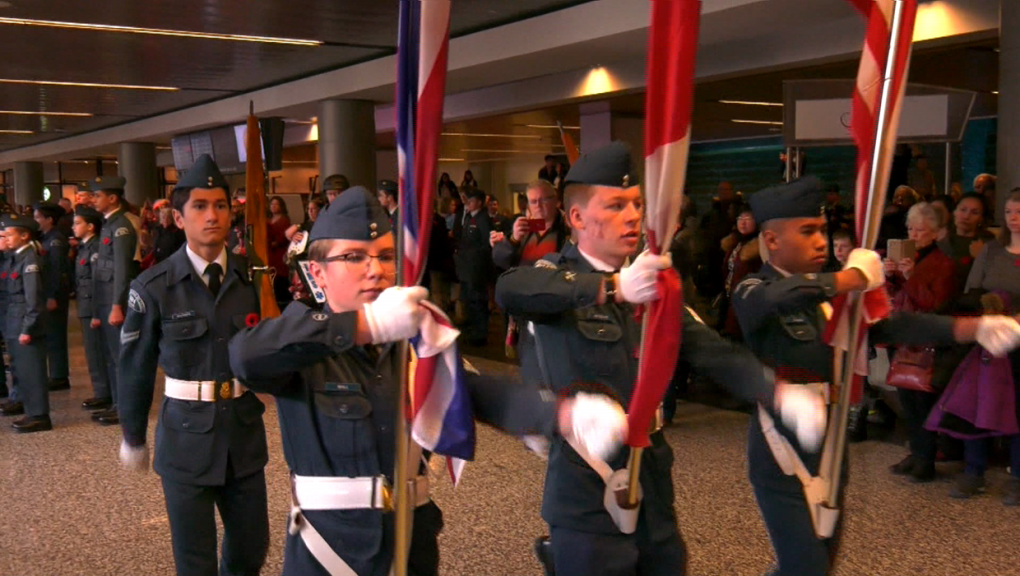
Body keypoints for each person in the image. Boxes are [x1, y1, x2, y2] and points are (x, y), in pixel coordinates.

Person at [227, 187, 628, 576]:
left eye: (385, 256)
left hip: (410, 540)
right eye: (353, 257)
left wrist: (560, 413)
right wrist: (366, 325)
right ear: (318, 272)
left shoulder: (414, 336)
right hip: (332, 547)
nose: (375, 269)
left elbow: (469, 391)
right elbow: (246, 356)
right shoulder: (300, 336)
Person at [496, 142, 824, 576]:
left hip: (650, 464)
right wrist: (612, 287)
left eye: (636, 204)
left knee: (665, 563)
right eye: (615, 206)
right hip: (586, 471)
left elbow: (710, 350)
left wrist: (777, 394)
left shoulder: (657, 287)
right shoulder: (556, 275)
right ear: (576, 218)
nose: (633, 216)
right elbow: (511, 289)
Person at [732, 176, 1020, 576]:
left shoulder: (832, 293)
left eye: (823, 230)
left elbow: (890, 327)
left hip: (832, 442)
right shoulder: (753, 287)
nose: (820, 241)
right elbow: (778, 297)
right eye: (808, 231)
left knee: (821, 560)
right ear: (772, 239)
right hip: (780, 444)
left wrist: (974, 329)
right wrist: (850, 279)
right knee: (805, 565)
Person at [117, 155, 270, 576]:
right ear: (179, 218)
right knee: (195, 558)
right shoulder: (154, 287)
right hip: (186, 436)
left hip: (242, 431)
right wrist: (133, 435)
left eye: (220, 205)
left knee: (251, 548)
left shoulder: (252, 275)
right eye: (200, 206)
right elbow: (135, 366)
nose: (212, 215)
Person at [948, 188, 1020, 505]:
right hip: (991, 337)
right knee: (978, 402)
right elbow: (970, 292)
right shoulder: (991, 250)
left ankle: (1017, 476)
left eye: (1019, 212)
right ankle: (973, 470)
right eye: (1008, 212)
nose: (1013, 219)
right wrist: (989, 310)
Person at [884, 203, 961, 483]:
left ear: (937, 233)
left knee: (922, 402)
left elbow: (934, 304)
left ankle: (926, 458)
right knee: (907, 401)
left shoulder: (944, 263)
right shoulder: (911, 258)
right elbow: (896, 298)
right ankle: (916, 453)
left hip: (927, 341)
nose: (913, 235)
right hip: (904, 336)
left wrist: (909, 276)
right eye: (910, 229)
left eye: (920, 230)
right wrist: (891, 275)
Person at [89, 176, 140, 425]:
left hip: (114, 300)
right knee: (111, 356)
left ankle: (125, 408)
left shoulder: (121, 227)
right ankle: (117, 403)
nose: (93, 199)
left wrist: (117, 305)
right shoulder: (108, 224)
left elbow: (122, 270)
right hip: (105, 299)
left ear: (113, 198)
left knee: (121, 358)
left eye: (97, 195)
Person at [1, 213, 51, 432]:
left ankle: (39, 415)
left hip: (24, 324)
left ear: (24, 235)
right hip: (15, 321)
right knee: (21, 370)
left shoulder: (30, 260)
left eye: (9, 234)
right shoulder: (16, 257)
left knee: (32, 371)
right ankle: (30, 411)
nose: (6, 238)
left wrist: (28, 328)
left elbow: (34, 299)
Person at [73, 206, 113, 412]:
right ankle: (101, 392)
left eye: (77, 223)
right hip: (85, 305)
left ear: (90, 226)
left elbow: (99, 282)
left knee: (99, 351)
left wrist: (97, 312)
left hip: (93, 305)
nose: (73, 227)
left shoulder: (96, 248)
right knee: (92, 353)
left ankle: (107, 393)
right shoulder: (83, 247)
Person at [34, 202, 72, 391]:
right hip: (47, 292)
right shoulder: (46, 238)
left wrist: (52, 295)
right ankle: (55, 373)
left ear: (49, 219)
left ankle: (59, 375)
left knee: (56, 335)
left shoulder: (55, 240)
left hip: (54, 293)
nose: (36, 221)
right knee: (51, 334)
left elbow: (57, 270)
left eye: (38, 217)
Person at [453, 188, 492, 346]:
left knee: (478, 303)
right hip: (466, 268)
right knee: (469, 302)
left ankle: (480, 334)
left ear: (480, 203)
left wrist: (473, 256)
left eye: (472, 200)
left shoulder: (483, 219)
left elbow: (486, 243)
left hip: (476, 268)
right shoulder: (469, 217)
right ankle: (472, 332)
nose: (468, 203)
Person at [717, 206, 762, 340]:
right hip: (729, 296)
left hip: (746, 300)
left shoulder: (759, 248)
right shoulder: (735, 243)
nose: (743, 222)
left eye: (748, 219)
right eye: (740, 218)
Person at [939, 192, 995, 279]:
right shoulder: (941, 240)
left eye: (974, 212)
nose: (966, 216)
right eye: (963, 210)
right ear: (954, 212)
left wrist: (981, 257)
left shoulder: (988, 244)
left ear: (981, 218)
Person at [285, 195, 327, 305]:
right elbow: (288, 233)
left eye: (313, 209)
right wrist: (293, 236)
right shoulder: (306, 225)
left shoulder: (325, 224)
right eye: (308, 209)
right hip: (304, 263)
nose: (310, 212)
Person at [268, 195, 292, 304]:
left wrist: (273, 243)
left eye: (276, 204)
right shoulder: (269, 219)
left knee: (280, 279)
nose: (273, 206)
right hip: (270, 254)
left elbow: (284, 237)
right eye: (272, 204)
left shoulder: (284, 220)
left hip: (280, 253)